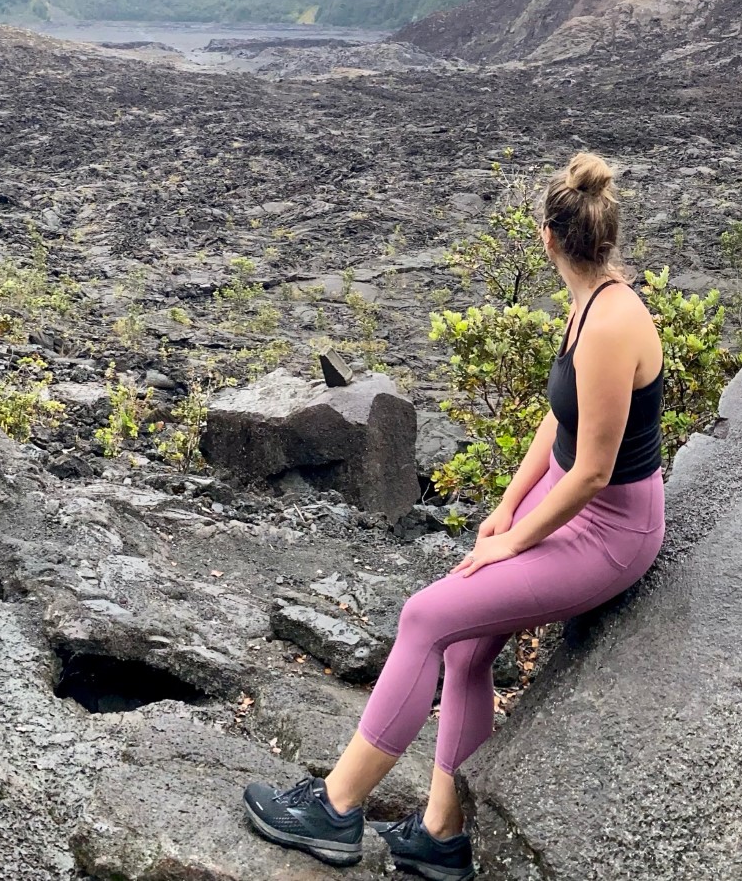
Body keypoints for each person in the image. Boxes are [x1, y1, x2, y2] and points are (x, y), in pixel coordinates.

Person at [242, 152, 668, 879]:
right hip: (568, 502)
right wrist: (504, 510)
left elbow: (595, 471)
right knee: (466, 647)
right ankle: (442, 834)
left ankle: (335, 811)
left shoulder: (609, 323)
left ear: (547, 237)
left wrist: (516, 545)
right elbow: (559, 423)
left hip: (611, 528)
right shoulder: (592, 298)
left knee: (427, 617)